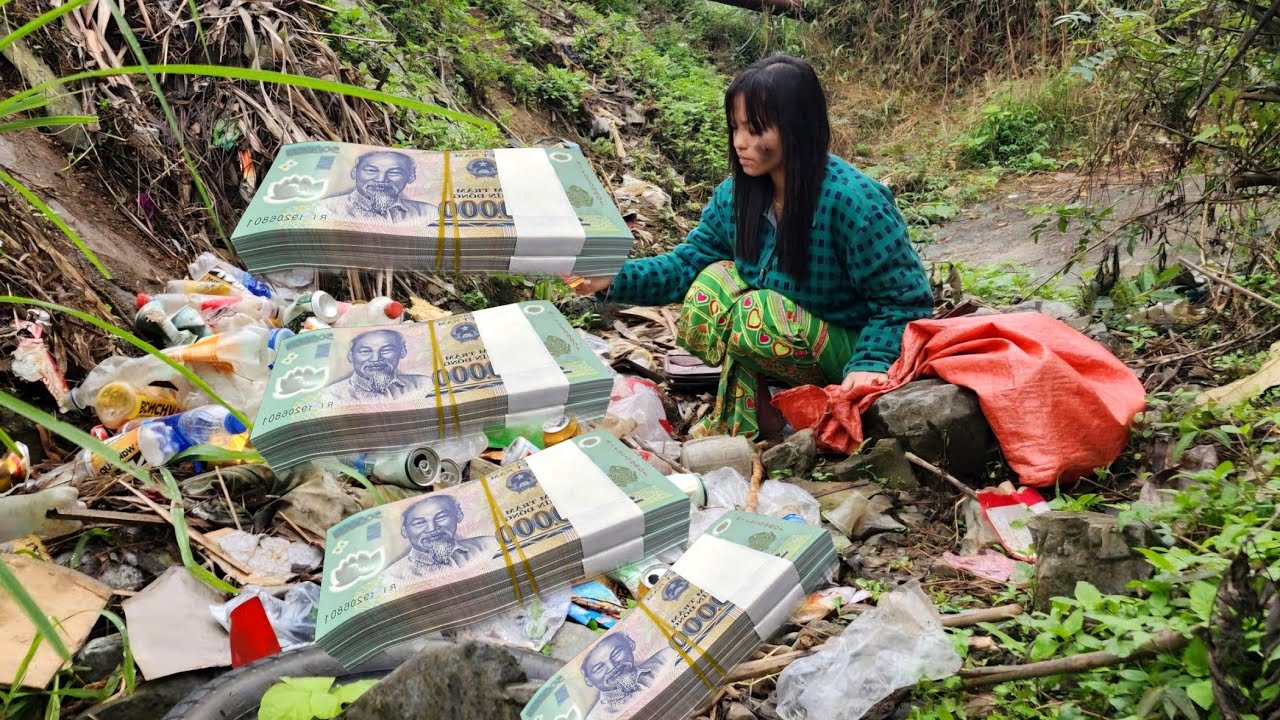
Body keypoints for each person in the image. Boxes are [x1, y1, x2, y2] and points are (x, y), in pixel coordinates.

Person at [574, 55, 933, 439]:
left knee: (752, 313)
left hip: (852, 343)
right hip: (782, 335)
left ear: (799, 128)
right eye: (735, 128)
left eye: (756, 129)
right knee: (712, 285)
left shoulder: (855, 202)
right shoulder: (736, 197)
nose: (741, 143)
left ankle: (810, 406)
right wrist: (612, 276)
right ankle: (761, 422)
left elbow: (904, 302)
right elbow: (686, 266)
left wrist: (871, 361)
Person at [384, 494, 498, 582]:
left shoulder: (489, 545)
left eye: (441, 517)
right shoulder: (393, 576)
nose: (432, 528)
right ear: (404, 531)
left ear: (458, 515)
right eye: (419, 523)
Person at [315, 150, 437, 223]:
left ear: (411, 177)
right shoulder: (325, 209)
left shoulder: (429, 212)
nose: (381, 179)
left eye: (394, 172)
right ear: (354, 172)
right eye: (371, 171)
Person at [322, 328, 430, 401]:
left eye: (386, 350)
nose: (376, 358)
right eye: (365, 351)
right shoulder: (332, 395)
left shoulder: (424, 384)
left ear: (402, 352)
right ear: (351, 356)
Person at [579, 633, 670, 719]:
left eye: (616, 653)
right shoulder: (596, 718)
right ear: (588, 680)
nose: (612, 666)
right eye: (599, 668)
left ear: (631, 644)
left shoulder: (668, 657)